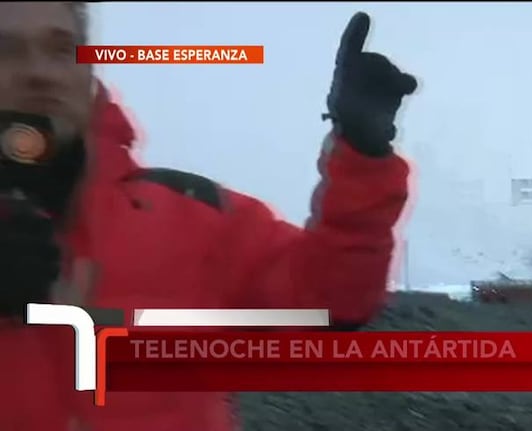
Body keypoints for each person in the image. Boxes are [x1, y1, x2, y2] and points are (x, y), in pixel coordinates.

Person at [0, 2, 416, 430]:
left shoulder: (192, 214)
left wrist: (363, 159)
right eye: (6, 49)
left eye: (62, 48)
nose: (40, 72)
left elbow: (327, 305)